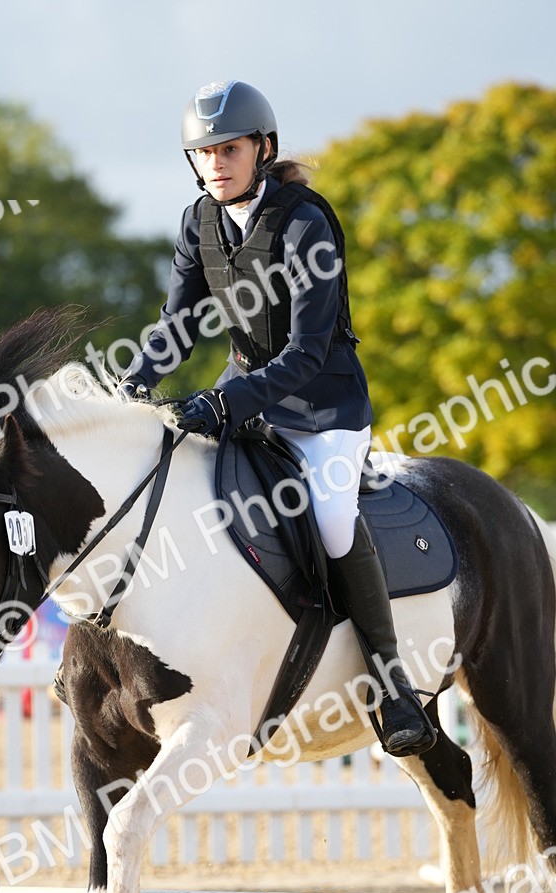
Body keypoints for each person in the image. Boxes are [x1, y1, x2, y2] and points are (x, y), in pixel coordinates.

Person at [121, 80, 436, 757]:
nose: (215, 165)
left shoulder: (304, 223)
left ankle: (392, 685)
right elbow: (176, 326)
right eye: (202, 153)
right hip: (247, 397)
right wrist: (134, 384)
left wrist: (226, 403)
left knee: (328, 517)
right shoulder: (197, 222)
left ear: (262, 148)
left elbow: (306, 351)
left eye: (228, 149)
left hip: (323, 407)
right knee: (170, 484)